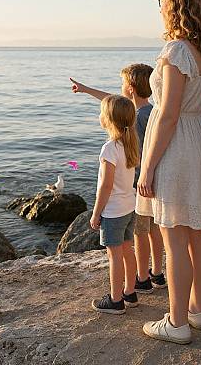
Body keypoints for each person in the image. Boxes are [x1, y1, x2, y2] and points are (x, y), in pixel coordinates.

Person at [136, 0, 201, 344]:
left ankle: (177, 323)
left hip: (173, 143)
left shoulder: (175, 51)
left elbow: (168, 113)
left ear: (174, 4)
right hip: (198, 140)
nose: (159, 9)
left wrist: (150, 165)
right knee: (196, 234)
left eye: (161, 2)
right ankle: (197, 312)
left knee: (173, 239)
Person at [70, 65, 167, 292]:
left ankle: (142, 278)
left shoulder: (137, 118)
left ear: (130, 89)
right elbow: (113, 103)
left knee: (140, 233)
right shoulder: (149, 111)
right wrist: (86, 90)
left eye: (122, 84)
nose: (120, 89)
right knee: (153, 230)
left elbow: (114, 106)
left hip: (140, 184)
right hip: (152, 180)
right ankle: (157, 272)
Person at [90, 95, 140, 314]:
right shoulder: (128, 143)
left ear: (108, 120)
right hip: (130, 207)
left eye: (102, 112)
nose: (99, 116)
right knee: (128, 250)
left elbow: (106, 186)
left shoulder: (109, 148)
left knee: (115, 256)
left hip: (113, 212)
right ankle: (130, 291)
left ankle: (115, 299)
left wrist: (95, 213)